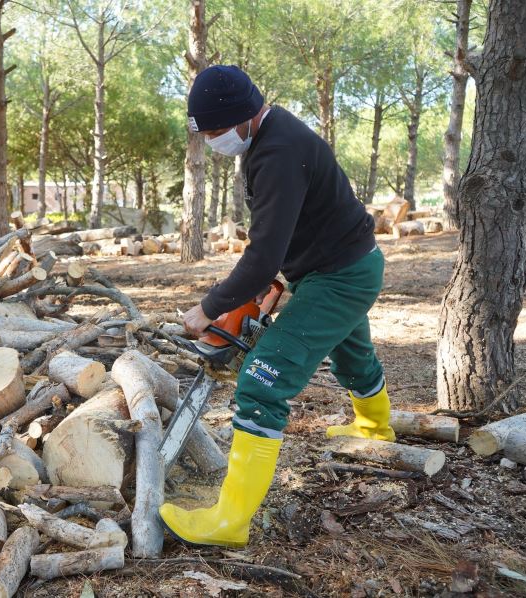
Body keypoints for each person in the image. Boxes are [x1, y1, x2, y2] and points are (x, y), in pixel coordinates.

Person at [159, 65, 394, 548]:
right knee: (352, 354)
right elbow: (290, 232)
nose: (215, 141)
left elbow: (262, 251)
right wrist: (275, 282)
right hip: (337, 266)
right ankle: (375, 428)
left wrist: (209, 308)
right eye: (207, 134)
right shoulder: (267, 139)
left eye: (218, 132)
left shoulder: (279, 152)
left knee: (262, 378)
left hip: (341, 277)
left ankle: (229, 521)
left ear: (244, 117)